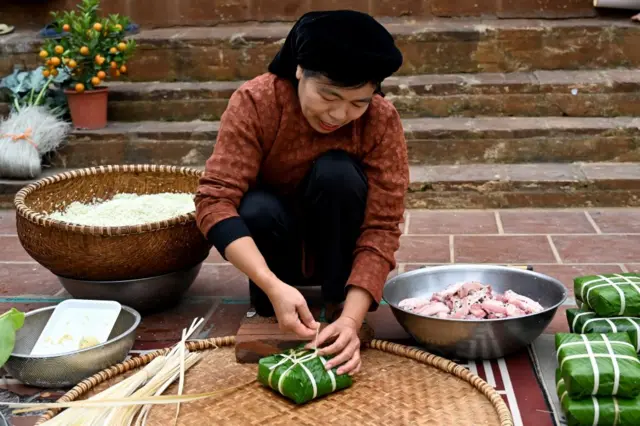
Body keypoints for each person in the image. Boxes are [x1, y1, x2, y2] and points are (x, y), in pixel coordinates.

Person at [195, 10, 409, 376]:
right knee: (257, 206)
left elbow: (382, 226)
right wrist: (270, 283)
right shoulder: (257, 101)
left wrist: (352, 321)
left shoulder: (381, 119)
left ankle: (338, 301)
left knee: (337, 174)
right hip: (273, 258)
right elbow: (214, 200)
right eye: (328, 95)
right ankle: (275, 296)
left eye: (359, 102)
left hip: (341, 258)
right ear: (298, 69)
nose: (340, 114)